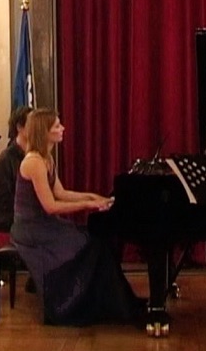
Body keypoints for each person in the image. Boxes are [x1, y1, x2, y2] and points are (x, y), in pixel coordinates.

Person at [10, 107, 146, 326]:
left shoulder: (47, 158)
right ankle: (84, 305)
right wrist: (88, 205)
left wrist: (93, 196)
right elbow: (50, 206)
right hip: (32, 229)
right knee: (93, 245)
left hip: (45, 224)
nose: (62, 128)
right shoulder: (33, 162)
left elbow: (61, 193)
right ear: (45, 131)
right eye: (57, 126)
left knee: (98, 241)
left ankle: (118, 303)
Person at [0, 105, 32, 232]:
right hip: (3, 215)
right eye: (32, 124)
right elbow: (3, 198)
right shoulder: (5, 159)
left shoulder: (34, 155)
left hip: (22, 211)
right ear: (19, 127)